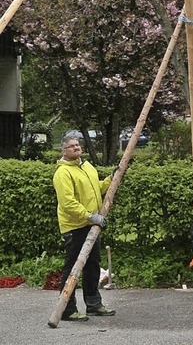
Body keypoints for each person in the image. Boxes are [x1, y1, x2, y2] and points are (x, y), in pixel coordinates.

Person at [52, 135, 115, 321]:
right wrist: (89, 216)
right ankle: (67, 309)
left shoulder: (86, 166)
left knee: (93, 266)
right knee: (72, 268)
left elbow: (98, 188)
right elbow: (68, 203)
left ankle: (94, 305)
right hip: (76, 226)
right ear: (64, 151)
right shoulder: (62, 173)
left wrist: (112, 179)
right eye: (71, 146)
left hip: (91, 225)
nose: (76, 148)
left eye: (77, 145)